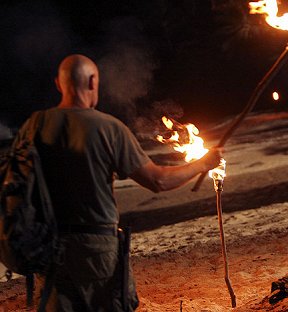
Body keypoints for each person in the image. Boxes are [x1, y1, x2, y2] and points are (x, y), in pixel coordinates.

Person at [14, 54, 223, 311]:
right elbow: (158, 181)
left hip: (48, 247)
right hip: (95, 250)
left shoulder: (33, 126)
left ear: (59, 83)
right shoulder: (108, 128)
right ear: (92, 82)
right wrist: (203, 164)